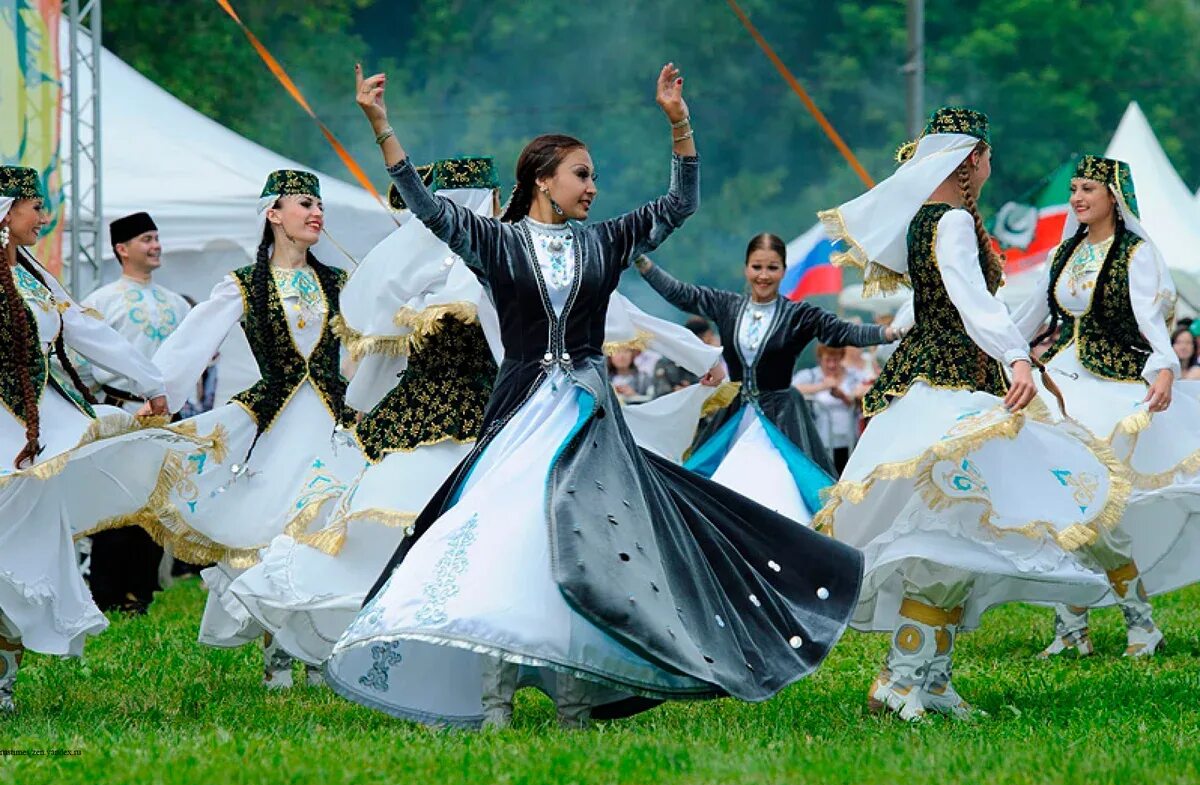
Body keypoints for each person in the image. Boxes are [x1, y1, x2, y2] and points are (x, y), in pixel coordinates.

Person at [321, 63, 864, 730]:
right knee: (500, 538)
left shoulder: (604, 241)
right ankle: (495, 705)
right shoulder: (495, 242)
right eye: (582, 174)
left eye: (594, 176)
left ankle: (575, 705)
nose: (593, 187)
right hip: (518, 417)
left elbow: (679, 207)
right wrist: (381, 126)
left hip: (585, 421)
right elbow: (431, 211)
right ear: (541, 179)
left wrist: (678, 123)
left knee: (572, 547)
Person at [223, 157, 732, 668]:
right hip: (437, 423)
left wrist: (696, 353)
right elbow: (385, 354)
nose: (494, 205)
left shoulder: (485, 264)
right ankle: (351, 635)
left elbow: (608, 311)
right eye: (486, 196)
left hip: (489, 420)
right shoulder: (440, 274)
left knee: (462, 537)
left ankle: (460, 645)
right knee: (399, 536)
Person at [816, 109, 1129, 721]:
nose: (991, 166)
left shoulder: (924, 221)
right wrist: (1016, 355)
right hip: (952, 382)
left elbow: (936, 303)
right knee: (950, 527)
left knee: (962, 528)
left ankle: (926, 679)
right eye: (987, 157)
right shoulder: (953, 220)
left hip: (937, 378)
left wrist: (1010, 347)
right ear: (970, 162)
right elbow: (969, 298)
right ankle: (904, 680)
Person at [0, 166, 213, 711]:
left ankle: (4, 677)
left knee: (32, 543)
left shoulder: (34, 276)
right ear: (6, 209)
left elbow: (87, 333)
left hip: (36, 428)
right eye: (33, 207)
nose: (42, 218)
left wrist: (152, 383)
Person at [148, 170, 362, 689]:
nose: (317, 214)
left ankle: (321, 657)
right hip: (275, 424)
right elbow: (192, 342)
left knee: (328, 532)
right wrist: (156, 394)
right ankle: (278, 662)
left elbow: (363, 351)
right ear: (274, 214)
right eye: (305, 204)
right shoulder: (243, 283)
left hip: (333, 424)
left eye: (320, 206)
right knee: (274, 533)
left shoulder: (338, 281)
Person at [1012, 156, 1200, 658]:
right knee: (1063, 500)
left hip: (1110, 383)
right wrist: (999, 352)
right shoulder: (1063, 253)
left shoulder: (1136, 254)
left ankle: (1137, 623)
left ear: (1113, 196)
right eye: (1073, 188)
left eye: (1087, 188)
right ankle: (1078, 628)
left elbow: (1150, 322)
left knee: (1090, 503)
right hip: (1061, 379)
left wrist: (1164, 368)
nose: (1076, 197)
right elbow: (1028, 317)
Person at [635, 235, 898, 523]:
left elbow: (843, 331)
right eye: (757, 267)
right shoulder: (727, 306)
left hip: (781, 422)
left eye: (772, 268)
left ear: (783, 271)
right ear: (746, 269)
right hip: (733, 420)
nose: (763, 276)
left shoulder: (799, 314)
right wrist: (643, 263)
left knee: (783, 497)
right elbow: (682, 294)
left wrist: (887, 334)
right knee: (715, 491)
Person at [79, 213, 192, 614]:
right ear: (122, 249)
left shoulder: (177, 304)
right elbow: (80, 359)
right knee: (115, 503)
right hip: (119, 410)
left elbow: (190, 360)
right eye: (146, 239)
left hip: (164, 416)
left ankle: (140, 593)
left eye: (157, 238)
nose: (156, 245)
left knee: (154, 504)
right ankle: (106, 592)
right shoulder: (100, 301)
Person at [792, 344, 871, 473]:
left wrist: (843, 396)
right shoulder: (810, 375)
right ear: (820, 359)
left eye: (836, 360)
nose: (832, 365)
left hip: (850, 441)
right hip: (821, 443)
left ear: (842, 358)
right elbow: (793, 389)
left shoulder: (853, 375)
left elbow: (866, 390)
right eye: (827, 360)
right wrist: (822, 386)